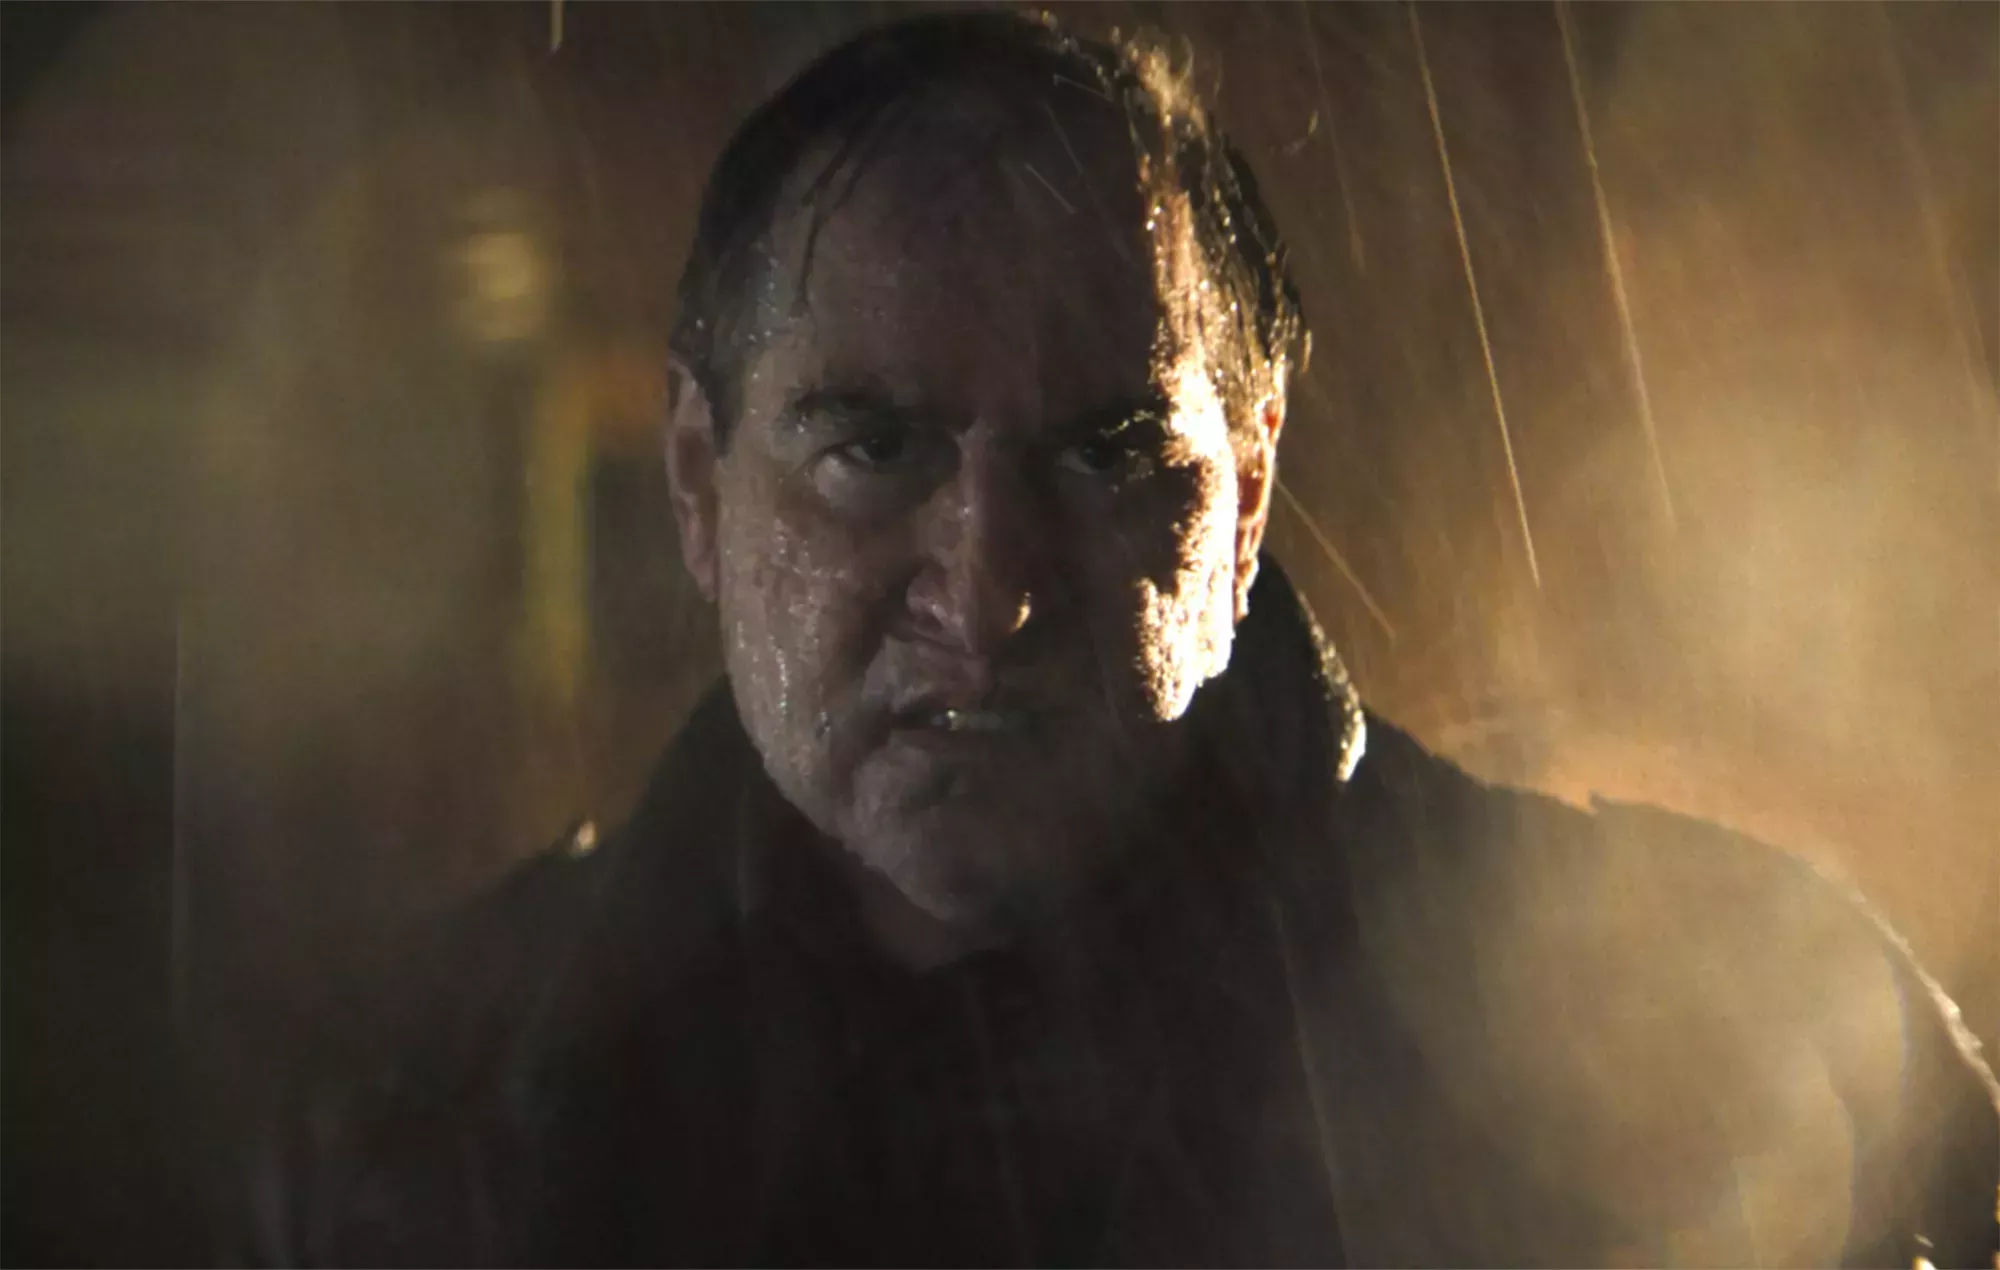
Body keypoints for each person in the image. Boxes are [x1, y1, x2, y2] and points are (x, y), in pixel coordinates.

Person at [273, 12, 1998, 1266]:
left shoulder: (1717, 1051)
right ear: (696, 486)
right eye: (873, 448)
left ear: (1246, 501)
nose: (988, 591)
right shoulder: (424, 1108)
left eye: (1107, 459)